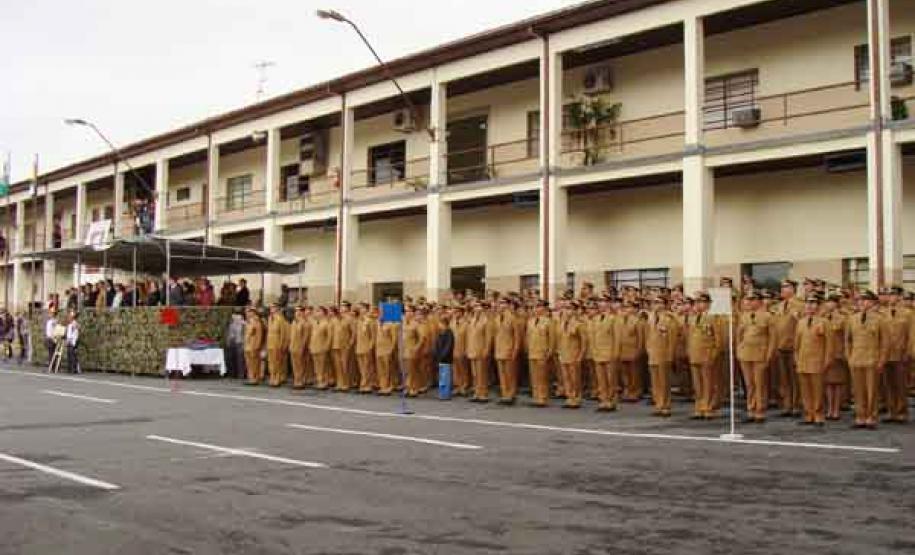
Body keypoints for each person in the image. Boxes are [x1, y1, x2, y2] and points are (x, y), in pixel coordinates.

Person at [845, 290, 887, 429]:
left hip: (872, 359)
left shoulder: (880, 319)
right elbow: (848, 341)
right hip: (856, 359)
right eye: (859, 300)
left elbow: (884, 342)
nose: (862, 303)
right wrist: (849, 357)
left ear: (872, 302)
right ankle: (860, 416)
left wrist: (881, 360)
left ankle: (871, 417)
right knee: (858, 390)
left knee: (872, 390)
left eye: (865, 300)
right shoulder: (852, 318)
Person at [737, 292, 776, 423]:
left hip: (760, 353)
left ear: (759, 301)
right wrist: (738, 349)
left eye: (753, 300)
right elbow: (739, 334)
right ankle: (751, 408)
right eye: (749, 300)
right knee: (749, 384)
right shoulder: (744, 316)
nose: (750, 302)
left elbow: (772, 338)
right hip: (746, 353)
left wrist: (769, 354)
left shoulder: (767, 316)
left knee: (759, 383)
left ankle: (760, 410)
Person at [794, 295, 828, 426]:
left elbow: (829, 344)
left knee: (817, 390)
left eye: (813, 303)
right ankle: (808, 414)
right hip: (803, 360)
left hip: (817, 360)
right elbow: (797, 344)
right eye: (808, 303)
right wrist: (796, 358)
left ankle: (818, 414)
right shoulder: (801, 322)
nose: (809, 306)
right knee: (805, 390)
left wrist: (827, 361)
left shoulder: (824, 322)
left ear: (819, 306)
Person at [645, 297, 680, 417]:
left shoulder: (669, 319)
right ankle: (658, 404)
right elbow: (648, 336)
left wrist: (670, 354)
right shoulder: (650, 319)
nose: (656, 305)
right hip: (653, 353)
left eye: (658, 302)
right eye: (654, 303)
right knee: (655, 382)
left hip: (664, 353)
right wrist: (648, 349)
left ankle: (665, 405)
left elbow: (672, 339)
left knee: (664, 382)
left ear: (665, 304)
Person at [526, 300, 555, 407]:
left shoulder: (548, 321)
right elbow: (528, 336)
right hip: (532, 351)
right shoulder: (530, 321)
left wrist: (550, 351)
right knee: (534, 376)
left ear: (544, 308)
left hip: (542, 351)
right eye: (535, 307)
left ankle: (542, 397)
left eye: (539, 307)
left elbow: (552, 338)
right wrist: (528, 348)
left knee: (542, 376)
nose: (536, 309)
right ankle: (536, 396)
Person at [266, 303, 290, 387]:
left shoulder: (280, 319)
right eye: (270, 307)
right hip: (270, 343)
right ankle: (272, 376)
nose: (271, 309)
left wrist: (281, 344)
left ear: (277, 309)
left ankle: (277, 378)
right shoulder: (269, 318)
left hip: (277, 343)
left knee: (277, 362)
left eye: (273, 307)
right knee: (271, 362)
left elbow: (283, 333)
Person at [243, 307, 265, 385]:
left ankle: (255, 378)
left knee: (254, 363)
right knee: (249, 363)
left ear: (253, 313)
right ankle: (251, 377)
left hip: (253, 345)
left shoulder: (256, 322)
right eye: (247, 312)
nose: (247, 313)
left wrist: (257, 345)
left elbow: (259, 335)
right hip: (248, 345)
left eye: (249, 312)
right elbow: (246, 334)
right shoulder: (248, 322)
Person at [225, 308, 246, 379]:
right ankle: (232, 374)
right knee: (231, 359)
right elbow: (228, 333)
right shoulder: (230, 323)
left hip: (240, 342)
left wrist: (244, 343)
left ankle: (241, 375)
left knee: (240, 360)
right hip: (232, 342)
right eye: (234, 314)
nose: (235, 316)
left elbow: (245, 334)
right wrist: (228, 341)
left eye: (237, 314)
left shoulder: (244, 324)